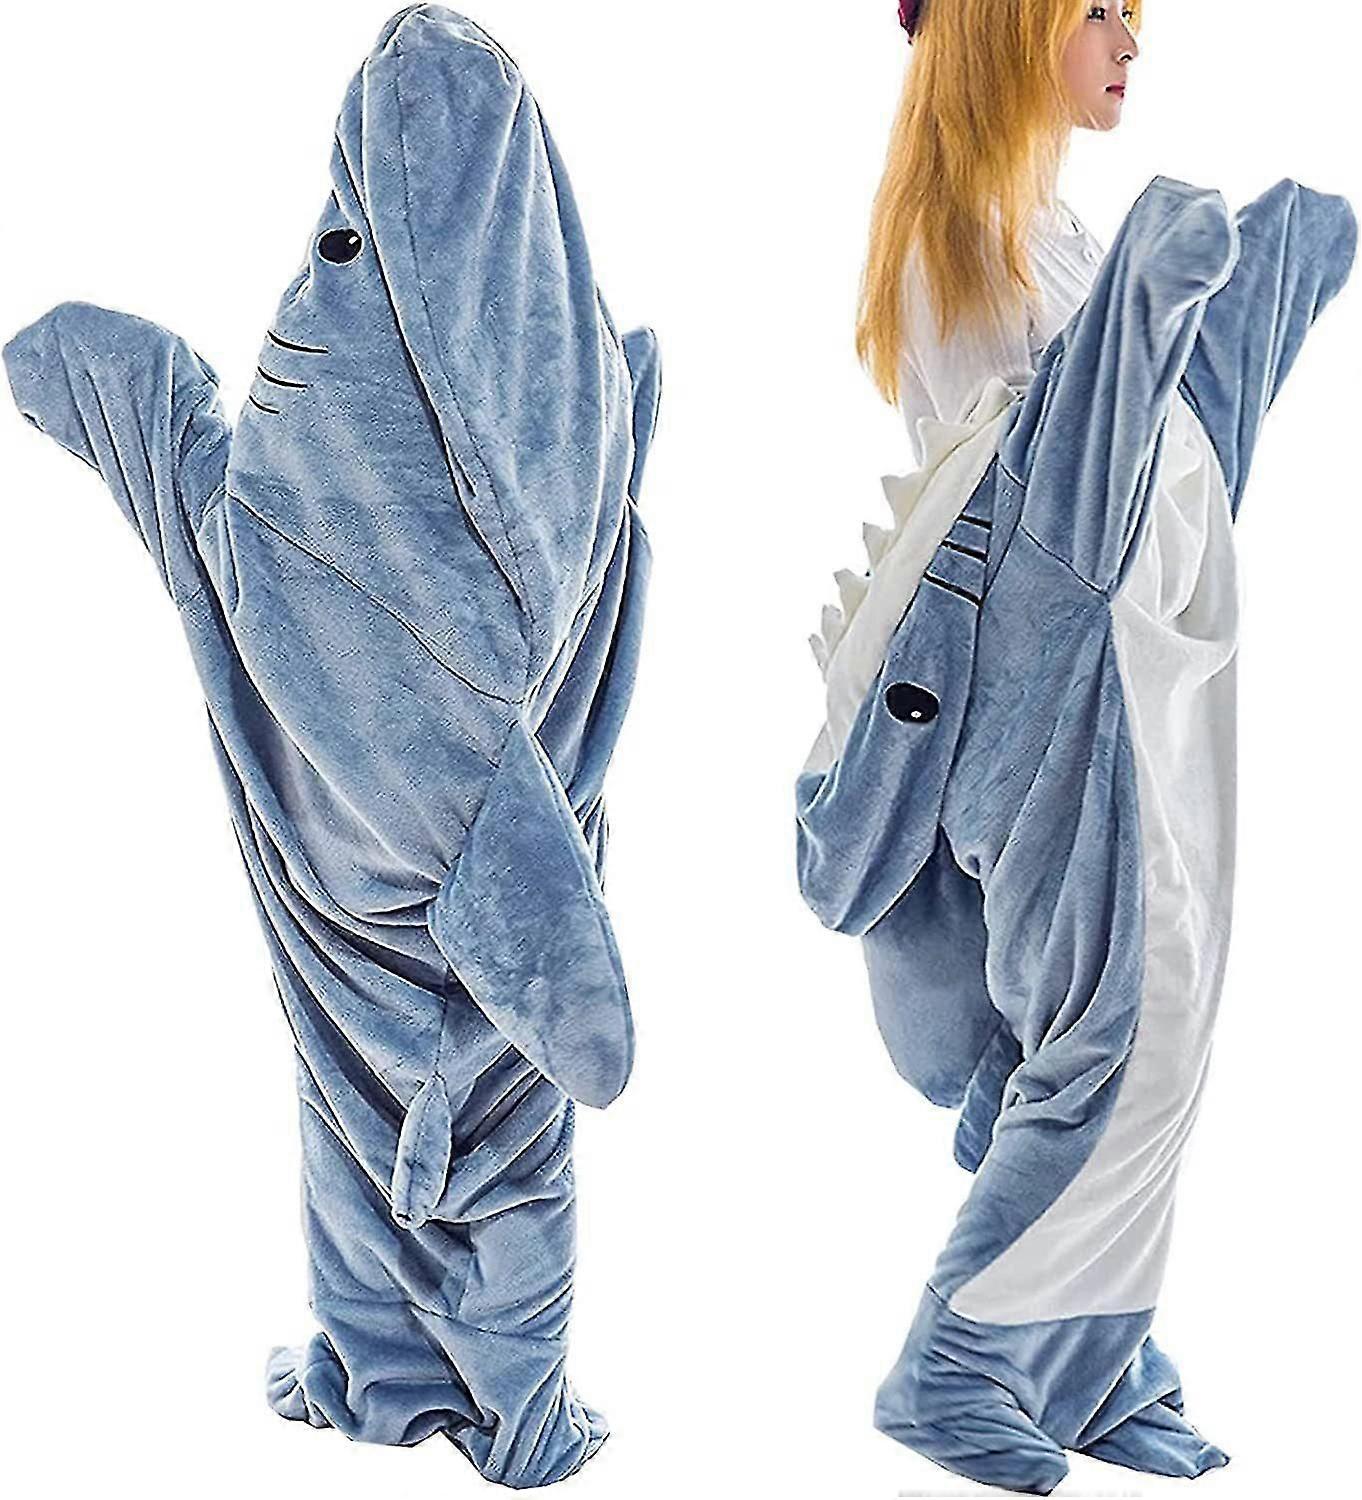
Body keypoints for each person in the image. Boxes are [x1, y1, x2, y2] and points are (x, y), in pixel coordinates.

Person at [857, 1, 1139, 461]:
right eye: (1094, 13)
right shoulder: (959, 238)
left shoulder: (1057, 231)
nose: (1128, 47)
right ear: (1002, 30)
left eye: (1123, 12)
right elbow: (1010, 478)